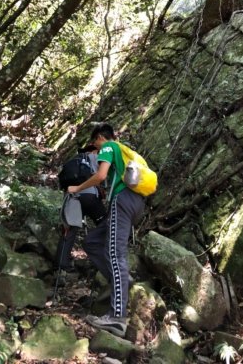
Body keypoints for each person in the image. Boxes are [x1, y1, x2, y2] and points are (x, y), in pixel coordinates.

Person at [67, 123, 145, 338]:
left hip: (123, 202)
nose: (95, 148)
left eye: (95, 143)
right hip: (135, 204)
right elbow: (109, 180)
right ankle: (120, 280)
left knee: (115, 253)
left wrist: (77, 188)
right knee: (92, 242)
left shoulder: (109, 147)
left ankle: (117, 317)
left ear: (101, 137)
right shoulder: (126, 152)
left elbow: (100, 175)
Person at [55, 145, 106, 273]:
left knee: (70, 228)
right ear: (94, 150)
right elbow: (101, 177)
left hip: (72, 197)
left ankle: (61, 265)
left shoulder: (74, 161)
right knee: (105, 224)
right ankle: (104, 258)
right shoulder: (96, 157)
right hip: (90, 196)